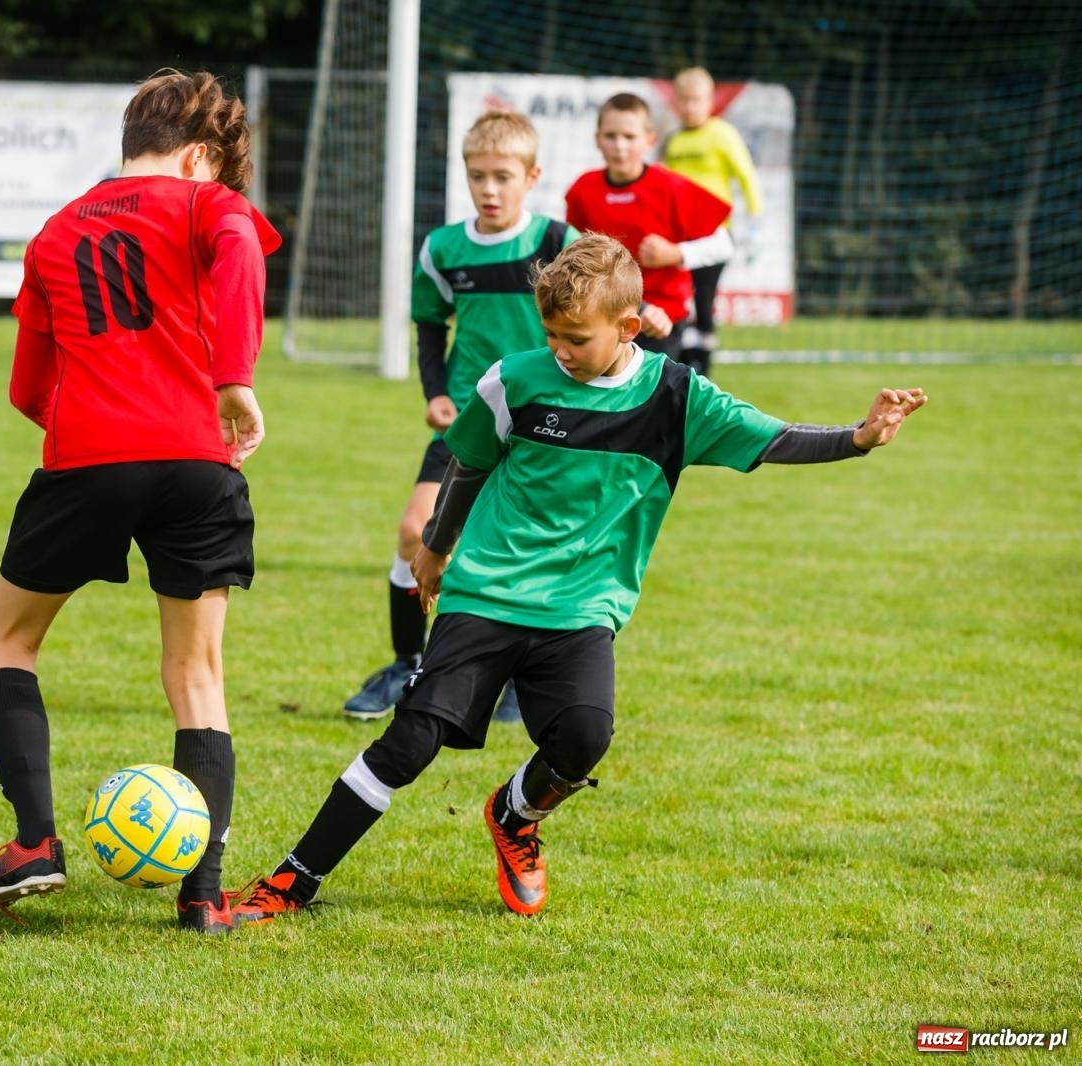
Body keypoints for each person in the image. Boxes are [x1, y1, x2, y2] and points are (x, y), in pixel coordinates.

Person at [233, 233, 926, 922]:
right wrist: (437, 551)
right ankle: (294, 880)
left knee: (586, 736)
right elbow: (467, 466)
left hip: (581, 610)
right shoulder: (515, 380)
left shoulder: (677, 398)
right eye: (552, 334)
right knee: (411, 741)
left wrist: (858, 438)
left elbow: (772, 438)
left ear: (629, 328)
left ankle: (515, 814)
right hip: (488, 594)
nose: (560, 350)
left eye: (576, 338)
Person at [0, 69, 281, 935]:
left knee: (9, 638)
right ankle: (203, 897)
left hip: (89, 455)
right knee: (197, 676)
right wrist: (233, 380)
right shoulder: (211, 205)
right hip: (200, 461)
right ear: (201, 155)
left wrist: (92, 429)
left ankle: (34, 843)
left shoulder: (57, 230)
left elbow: (29, 387)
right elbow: (243, 249)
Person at [343, 109, 578, 724]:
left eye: (503, 176)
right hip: (469, 424)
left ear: (532, 176)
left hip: (539, 429)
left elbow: (594, 319)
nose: (490, 189)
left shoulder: (557, 243)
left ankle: (521, 682)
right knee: (413, 531)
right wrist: (435, 390)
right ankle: (405, 665)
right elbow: (429, 324)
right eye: (478, 176)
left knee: (525, 550)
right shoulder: (443, 248)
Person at [563, 93, 734, 367]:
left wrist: (675, 253)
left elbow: (724, 245)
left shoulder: (671, 187)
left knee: (654, 404)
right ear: (598, 140)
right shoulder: (583, 190)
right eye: (611, 136)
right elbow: (572, 253)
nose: (619, 146)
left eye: (629, 137)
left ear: (649, 140)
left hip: (661, 322)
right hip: (607, 317)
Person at [663, 66, 764, 377]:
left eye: (697, 100)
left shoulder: (722, 134)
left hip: (713, 236)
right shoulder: (674, 141)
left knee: (704, 298)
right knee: (677, 298)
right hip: (679, 238)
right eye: (685, 100)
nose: (690, 107)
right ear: (676, 103)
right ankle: (680, 359)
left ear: (709, 102)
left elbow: (746, 175)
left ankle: (703, 365)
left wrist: (755, 218)